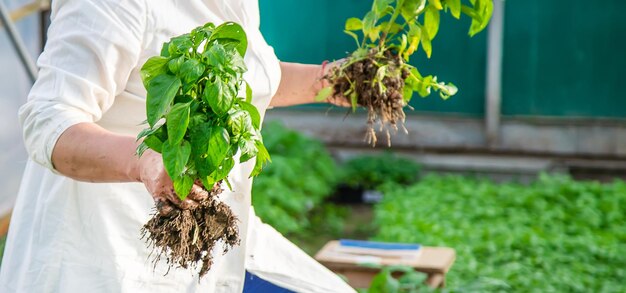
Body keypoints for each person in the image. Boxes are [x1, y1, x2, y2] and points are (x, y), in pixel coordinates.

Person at [0, 0, 354, 292]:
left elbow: (243, 81)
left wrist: (332, 81)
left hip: (211, 246)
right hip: (108, 253)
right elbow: (48, 118)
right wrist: (144, 162)